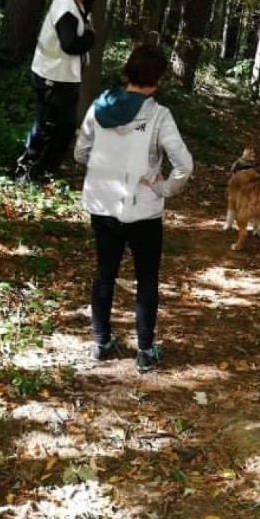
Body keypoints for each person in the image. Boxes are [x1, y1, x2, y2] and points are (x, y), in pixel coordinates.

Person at [74, 44, 193, 372]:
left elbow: (80, 152)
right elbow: (184, 165)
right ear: (157, 80)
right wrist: (162, 187)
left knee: (105, 274)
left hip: (102, 205)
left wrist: (103, 169)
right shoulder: (158, 115)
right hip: (143, 211)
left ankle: (101, 342)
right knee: (147, 279)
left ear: (126, 72)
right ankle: (144, 351)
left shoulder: (100, 106)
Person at [16, 0, 103, 182]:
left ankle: (42, 171)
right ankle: (28, 170)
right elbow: (70, 45)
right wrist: (91, 37)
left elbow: (83, 11)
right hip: (52, 78)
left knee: (61, 126)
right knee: (49, 125)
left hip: (61, 76)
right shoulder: (66, 8)